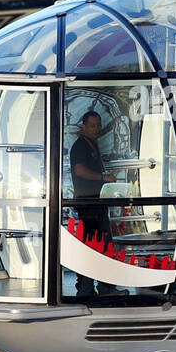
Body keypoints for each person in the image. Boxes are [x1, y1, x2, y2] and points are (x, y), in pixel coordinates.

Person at [69, 111, 125, 299]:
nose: (96, 129)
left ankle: (97, 286)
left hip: (95, 203)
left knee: (100, 245)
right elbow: (79, 170)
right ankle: (94, 288)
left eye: (98, 125)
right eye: (92, 125)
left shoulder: (91, 145)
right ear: (83, 126)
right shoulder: (80, 147)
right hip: (89, 205)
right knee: (97, 246)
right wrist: (103, 177)